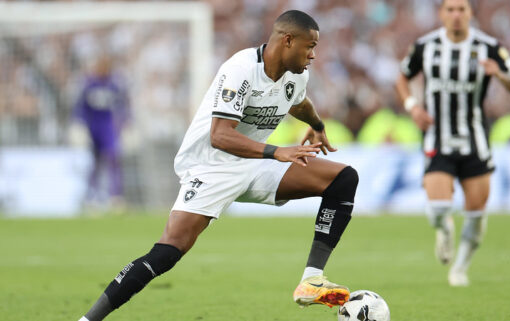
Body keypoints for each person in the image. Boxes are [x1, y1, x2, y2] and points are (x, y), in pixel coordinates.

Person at [78, 10, 358, 321]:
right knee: (168, 251)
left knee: (343, 179)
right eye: (310, 46)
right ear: (288, 40)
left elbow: (298, 101)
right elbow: (220, 136)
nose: (314, 55)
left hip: (255, 161)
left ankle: (311, 279)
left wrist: (317, 123)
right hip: (211, 166)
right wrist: (277, 151)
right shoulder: (240, 69)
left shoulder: (296, 75)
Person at [395, 0, 510, 286]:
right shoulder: (425, 46)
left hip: (475, 140)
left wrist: (500, 75)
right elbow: (402, 78)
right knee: (439, 210)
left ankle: (460, 269)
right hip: (437, 137)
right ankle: (444, 229)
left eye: (461, 9)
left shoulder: (490, 46)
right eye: (450, 9)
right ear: (442, 13)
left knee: (476, 215)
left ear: (470, 14)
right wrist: (413, 106)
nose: (456, 15)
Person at [73, 55, 130, 209]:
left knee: (113, 159)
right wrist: (79, 125)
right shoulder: (89, 84)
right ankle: (92, 197)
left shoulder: (114, 84)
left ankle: (116, 197)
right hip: (93, 127)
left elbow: (122, 105)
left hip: (109, 127)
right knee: (95, 163)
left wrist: (126, 122)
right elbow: (80, 107)